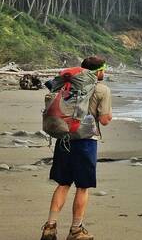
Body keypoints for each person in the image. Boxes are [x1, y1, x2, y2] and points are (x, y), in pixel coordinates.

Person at [41, 56, 112, 240]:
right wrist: (107, 115)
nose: (105, 73)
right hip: (86, 142)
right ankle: (76, 230)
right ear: (98, 71)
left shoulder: (67, 86)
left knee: (63, 184)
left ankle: (50, 227)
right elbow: (104, 120)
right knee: (82, 187)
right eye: (103, 69)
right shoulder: (102, 89)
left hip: (64, 137)